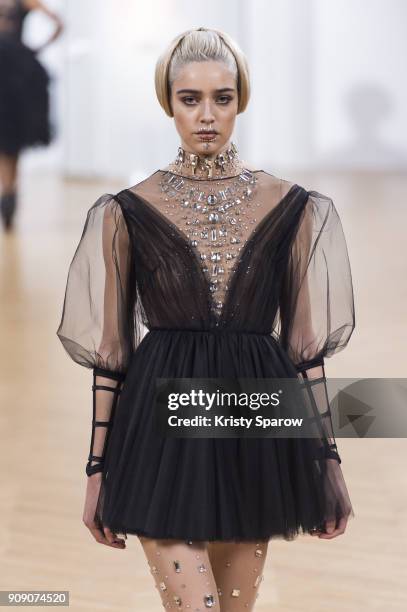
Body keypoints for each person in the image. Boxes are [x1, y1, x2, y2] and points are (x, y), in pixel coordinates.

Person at [56, 27, 356, 611]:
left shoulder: (291, 205)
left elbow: (304, 352)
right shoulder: (127, 211)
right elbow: (112, 356)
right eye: (189, 99)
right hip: (157, 434)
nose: (207, 115)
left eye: (222, 97)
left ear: (240, 100)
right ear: (168, 103)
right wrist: (97, 468)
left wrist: (328, 460)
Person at [0, 0, 63, 231]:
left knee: (10, 139)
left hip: (15, 73)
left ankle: (8, 196)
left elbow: (58, 22)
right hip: (11, 69)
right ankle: (8, 195)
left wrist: (38, 47)